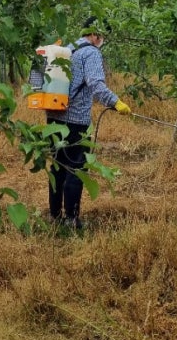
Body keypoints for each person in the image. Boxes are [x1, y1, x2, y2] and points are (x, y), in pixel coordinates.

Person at [46, 16, 131, 229]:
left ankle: (54, 215)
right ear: (94, 35)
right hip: (76, 121)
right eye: (101, 36)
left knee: (57, 168)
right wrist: (116, 102)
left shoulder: (67, 49)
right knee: (76, 168)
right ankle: (71, 219)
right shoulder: (91, 53)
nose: (102, 40)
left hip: (53, 119)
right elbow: (95, 84)